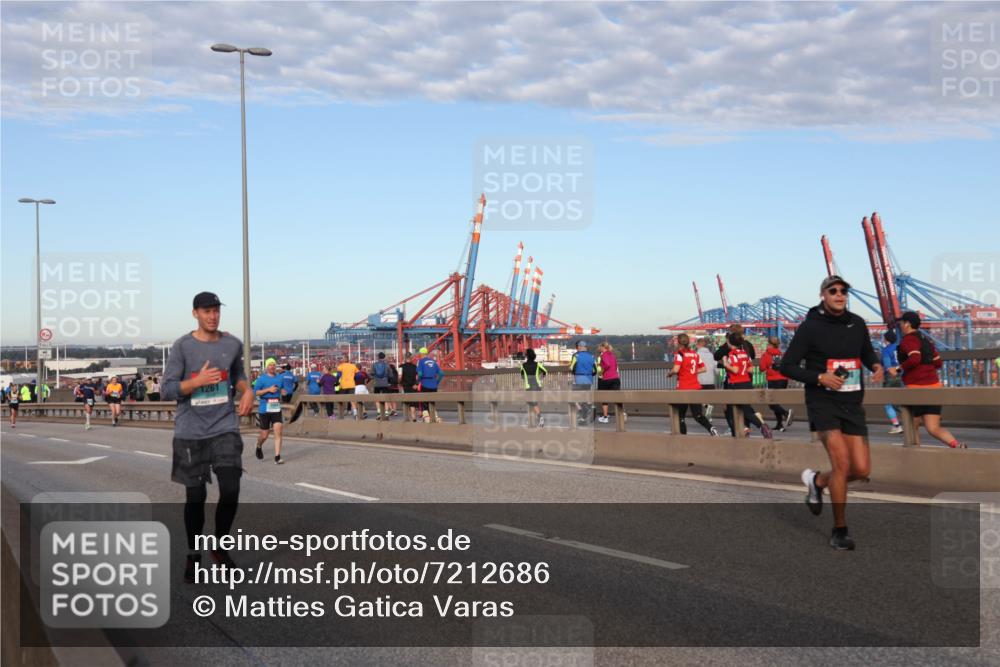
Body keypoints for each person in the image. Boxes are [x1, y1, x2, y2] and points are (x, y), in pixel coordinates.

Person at [780, 275, 884, 551]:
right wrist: (819, 377)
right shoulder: (810, 328)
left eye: (843, 291)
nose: (839, 294)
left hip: (852, 403)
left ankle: (816, 481)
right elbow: (787, 365)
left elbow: (866, 353)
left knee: (861, 469)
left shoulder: (857, 323)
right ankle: (840, 530)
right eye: (833, 290)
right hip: (822, 403)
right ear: (822, 295)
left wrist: (876, 366)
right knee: (842, 465)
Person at [161, 291, 254, 582]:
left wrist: (247, 390)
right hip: (191, 431)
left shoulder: (231, 343)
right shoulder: (182, 347)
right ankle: (193, 554)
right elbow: (167, 389)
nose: (212, 316)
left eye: (215, 311)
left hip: (224, 427)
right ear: (195, 314)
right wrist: (197, 382)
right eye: (206, 311)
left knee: (230, 489)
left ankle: (219, 546)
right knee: (196, 496)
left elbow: (237, 374)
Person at [897, 311, 965, 448]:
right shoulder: (926, 340)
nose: (900, 326)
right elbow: (938, 363)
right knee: (933, 428)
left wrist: (898, 368)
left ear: (907, 324)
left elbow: (914, 358)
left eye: (901, 323)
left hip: (916, 389)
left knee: (912, 426)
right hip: (934, 387)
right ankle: (957, 446)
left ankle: (915, 456)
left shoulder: (908, 340)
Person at [721, 330, 772, 439]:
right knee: (744, 408)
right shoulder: (745, 353)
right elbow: (752, 369)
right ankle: (746, 428)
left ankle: (759, 426)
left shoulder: (732, 354)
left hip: (736, 384)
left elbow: (735, 370)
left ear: (730, 343)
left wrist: (726, 364)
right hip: (747, 383)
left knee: (734, 410)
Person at [668, 334, 718, 436]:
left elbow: (676, 369)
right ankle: (711, 428)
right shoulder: (695, 354)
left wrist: (670, 373)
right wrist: (692, 372)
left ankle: (683, 436)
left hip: (683, 388)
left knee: (680, 416)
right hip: (695, 387)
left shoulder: (680, 354)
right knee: (698, 415)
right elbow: (704, 369)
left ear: (678, 342)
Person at [254, 358, 285, 464]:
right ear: (267, 367)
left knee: (278, 430)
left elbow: (282, 389)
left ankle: (277, 457)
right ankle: (258, 446)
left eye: (273, 365)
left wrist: (283, 391)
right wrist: (268, 390)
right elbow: (256, 392)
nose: (272, 366)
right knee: (264, 434)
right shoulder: (261, 379)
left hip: (276, 406)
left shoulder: (280, 378)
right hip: (264, 407)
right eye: (270, 365)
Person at [760, 337, 793, 431]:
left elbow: (762, 368)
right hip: (784, 380)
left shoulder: (766, 354)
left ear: (769, 344)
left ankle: (786, 413)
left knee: (771, 403)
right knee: (776, 402)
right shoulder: (782, 354)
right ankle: (779, 424)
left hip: (773, 380)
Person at [880, 331, 904, 434]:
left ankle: (897, 425)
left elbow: (888, 366)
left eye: (884, 338)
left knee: (888, 403)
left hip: (891, 378)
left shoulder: (886, 350)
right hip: (903, 376)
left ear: (886, 339)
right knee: (899, 401)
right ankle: (916, 416)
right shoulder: (900, 348)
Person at [569, 340, 597, 425]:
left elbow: (571, 368)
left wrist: (575, 372)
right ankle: (584, 416)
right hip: (589, 379)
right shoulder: (592, 356)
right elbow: (595, 370)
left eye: (577, 347)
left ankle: (584, 410)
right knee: (584, 397)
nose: (577, 349)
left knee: (572, 397)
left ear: (580, 347)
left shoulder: (576, 356)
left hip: (579, 378)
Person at [519, 348, 548, 427]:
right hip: (537, 385)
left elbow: (522, 376)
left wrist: (527, 378)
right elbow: (545, 372)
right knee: (533, 402)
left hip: (529, 386)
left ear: (526, 356)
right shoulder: (537, 364)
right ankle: (534, 419)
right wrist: (540, 378)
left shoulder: (523, 365)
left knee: (531, 402)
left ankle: (540, 417)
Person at [596, 342, 622, 424]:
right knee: (617, 397)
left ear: (603, 348)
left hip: (607, 378)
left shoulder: (603, 355)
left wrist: (601, 368)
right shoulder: (613, 355)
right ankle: (621, 414)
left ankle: (605, 417)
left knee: (604, 398)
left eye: (599, 348)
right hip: (615, 378)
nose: (599, 349)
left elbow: (606, 365)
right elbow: (615, 366)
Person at [416, 349, 444, 423]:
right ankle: (435, 417)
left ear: (421, 354)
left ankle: (427, 418)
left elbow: (420, 374)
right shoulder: (434, 362)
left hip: (425, 383)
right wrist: (436, 382)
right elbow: (441, 374)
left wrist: (418, 381)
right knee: (432, 402)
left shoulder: (421, 362)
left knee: (424, 403)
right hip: (434, 385)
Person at [696, 337, 718, 419]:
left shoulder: (696, 355)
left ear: (698, 345)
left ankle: (705, 408)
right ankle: (709, 416)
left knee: (698, 398)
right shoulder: (711, 355)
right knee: (709, 399)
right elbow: (716, 368)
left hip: (700, 381)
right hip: (710, 380)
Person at [371, 352, 393, 420]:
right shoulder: (387, 365)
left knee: (377, 398)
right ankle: (386, 412)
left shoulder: (374, 365)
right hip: (385, 383)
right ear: (384, 357)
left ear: (378, 357)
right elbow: (391, 375)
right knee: (385, 398)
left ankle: (379, 412)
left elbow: (371, 374)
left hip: (377, 383)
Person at [400, 353, 419, 422]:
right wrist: (416, 384)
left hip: (405, 386)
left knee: (406, 402)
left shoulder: (401, 366)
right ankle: (413, 417)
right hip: (413, 386)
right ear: (411, 358)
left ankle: (406, 418)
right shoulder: (415, 367)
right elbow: (418, 377)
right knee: (412, 403)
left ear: (405, 358)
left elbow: (400, 377)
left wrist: (400, 383)